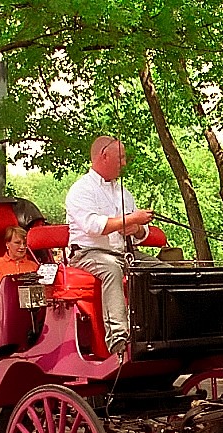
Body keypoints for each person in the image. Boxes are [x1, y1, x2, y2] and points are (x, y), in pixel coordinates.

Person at [65, 135, 154, 356]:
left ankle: (157, 330)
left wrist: (137, 229)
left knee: (161, 270)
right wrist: (131, 220)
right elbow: (94, 226)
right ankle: (118, 339)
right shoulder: (81, 190)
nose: (124, 163)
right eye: (121, 157)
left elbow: (142, 233)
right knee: (111, 270)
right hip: (87, 253)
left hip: (123, 252)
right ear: (104, 156)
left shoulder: (124, 193)